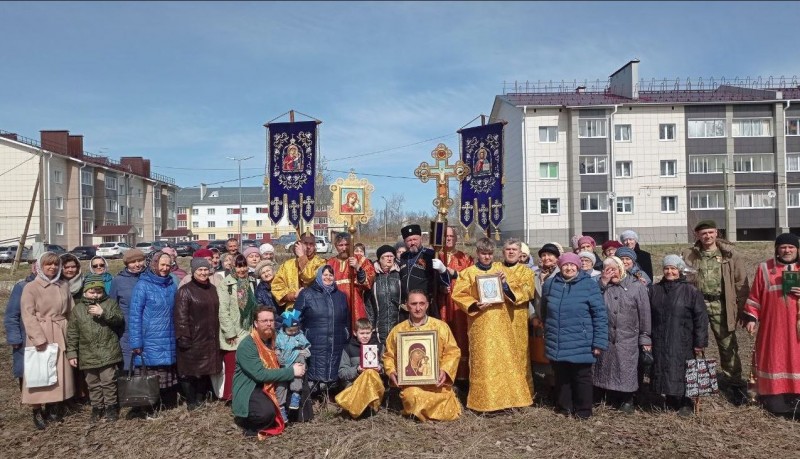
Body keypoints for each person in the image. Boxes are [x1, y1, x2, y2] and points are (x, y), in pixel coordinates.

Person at [452, 237, 533, 412]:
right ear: (477, 253)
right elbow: (458, 294)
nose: (487, 257)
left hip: (502, 322)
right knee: (483, 362)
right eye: (483, 253)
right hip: (480, 323)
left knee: (505, 361)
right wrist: (474, 304)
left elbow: (519, 290)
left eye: (489, 254)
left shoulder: (501, 270)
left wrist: (504, 284)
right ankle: (483, 402)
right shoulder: (468, 273)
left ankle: (508, 400)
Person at [682, 220, 749, 403]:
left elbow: (740, 283)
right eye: (703, 233)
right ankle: (697, 381)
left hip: (721, 305)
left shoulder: (730, 254)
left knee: (728, 345)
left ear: (716, 233)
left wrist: (743, 310)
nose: (707, 236)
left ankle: (734, 384)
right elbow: (682, 279)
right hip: (697, 305)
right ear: (697, 235)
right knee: (695, 342)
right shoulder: (689, 254)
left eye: (711, 232)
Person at [540, 253, 608, 419]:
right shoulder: (550, 284)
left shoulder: (589, 285)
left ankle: (583, 410)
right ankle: (565, 407)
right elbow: (544, 310)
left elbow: (600, 315)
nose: (569, 268)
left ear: (578, 267)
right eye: (565, 265)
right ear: (560, 266)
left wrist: (598, 342)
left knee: (581, 376)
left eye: (572, 265)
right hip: (557, 339)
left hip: (581, 340)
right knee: (562, 375)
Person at [743, 233, 800, 418]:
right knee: (774, 358)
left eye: (791, 247)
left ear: (797, 249)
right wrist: (751, 317)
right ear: (777, 249)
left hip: (797, 328)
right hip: (773, 328)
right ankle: (775, 397)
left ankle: (796, 396)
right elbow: (754, 297)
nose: (787, 250)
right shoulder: (765, 268)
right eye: (783, 247)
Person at [383, 290, 462, 422]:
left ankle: (423, 413)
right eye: (414, 304)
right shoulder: (398, 330)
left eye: (421, 304)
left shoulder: (441, 327)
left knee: (448, 407)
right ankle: (424, 412)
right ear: (407, 305)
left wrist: (444, 371)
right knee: (412, 396)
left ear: (427, 305)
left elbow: (453, 352)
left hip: (437, 384)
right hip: (412, 386)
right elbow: (388, 356)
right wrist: (391, 372)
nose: (418, 308)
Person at [20, 252, 75, 429]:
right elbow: (27, 315)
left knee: (57, 373)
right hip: (42, 332)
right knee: (39, 372)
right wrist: (38, 338)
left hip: (60, 331)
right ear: (40, 267)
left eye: (55, 264)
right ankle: (36, 410)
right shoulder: (31, 287)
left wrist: (72, 333)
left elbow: (71, 311)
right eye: (48, 265)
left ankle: (53, 407)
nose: (52, 268)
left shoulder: (63, 285)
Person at [649, 255, 708, 417]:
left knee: (683, 369)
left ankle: (686, 402)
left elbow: (701, 318)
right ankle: (670, 398)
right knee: (664, 367)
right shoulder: (655, 289)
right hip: (660, 337)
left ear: (680, 270)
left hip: (683, 339)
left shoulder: (691, 291)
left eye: (673, 268)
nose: (670, 272)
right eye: (666, 268)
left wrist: (700, 342)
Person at [232, 306, 305, 439]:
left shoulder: (275, 339)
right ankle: (249, 422)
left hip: (272, 382)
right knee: (266, 413)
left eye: (271, 320)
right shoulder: (247, 345)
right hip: (252, 386)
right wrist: (291, 371)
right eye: (264, 321)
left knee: (299, 388)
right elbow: (260, 375)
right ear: (255, 323)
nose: (268, 324)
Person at [593, 256, 651, 414]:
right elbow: (592, 304)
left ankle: (627, 399)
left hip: (628, 336)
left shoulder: (636, 286)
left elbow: (645, 314)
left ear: (622, 268)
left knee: (626, 369)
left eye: (615, 269)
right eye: (608, 270)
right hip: (605, 335)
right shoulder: (600, 284)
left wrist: (645, 338)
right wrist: (603, 284)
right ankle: (608, 395)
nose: (613, 273)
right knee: (605, 366)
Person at [66, 276, 124, 423]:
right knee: (92, 383)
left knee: (108, 381)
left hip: (107, 351)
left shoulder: (110, 303)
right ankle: (97, 406)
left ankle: (111, 406)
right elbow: (73, 333)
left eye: (98, 291)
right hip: (87, 353)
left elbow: (119, 320)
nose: (95, 295)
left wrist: (103, 313)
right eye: (92, 292)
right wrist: (72, 352)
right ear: (85, 292)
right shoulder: (78, 309)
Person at [129, 251, 180, 415]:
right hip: (150, 338)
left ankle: (165, 404)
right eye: (162, 265)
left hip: (169, 335)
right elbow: (135, 316)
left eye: (168, 265)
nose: (165, 268)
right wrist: (136, 342)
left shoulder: (171, 283)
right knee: (151, 373)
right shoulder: (142, 285)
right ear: (154, 265)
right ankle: (147, 405)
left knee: (166, 371)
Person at [174, 257, 222, 411]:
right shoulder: (185, 290)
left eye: (205, 270)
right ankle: (191, 400)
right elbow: (181, 316)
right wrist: (183, 337)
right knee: (189, 371)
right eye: (199, 270)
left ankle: (201, 398)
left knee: (204, 370)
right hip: (192, 337)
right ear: (193, 272)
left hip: (209, 337)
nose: (203, 273)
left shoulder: (212, 288)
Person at [294, 265, 350, 393]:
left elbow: (346, 318)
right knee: (314, 369)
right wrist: (294, 334)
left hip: (336, 339)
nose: (328, 277)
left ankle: (329, 395)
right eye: (325, 274)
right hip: (313, 339)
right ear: (319, 276)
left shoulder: (341, 296)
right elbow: (294, 316)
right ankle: (313, 396)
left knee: (333, 368)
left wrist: (346, 332)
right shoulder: (306, 294)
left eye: (331, 275)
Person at [218, 254, 257, 402]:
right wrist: (230, 333)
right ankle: (230, 396)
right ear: (233, 266)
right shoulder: (226, 284)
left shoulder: (251, 282)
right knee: (232, 367)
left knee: (246, 366)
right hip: (233, 332)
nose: (242, 269)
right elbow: (223, 311)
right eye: (239, 266)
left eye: (244, 265)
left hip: (247, 331)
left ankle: (245, 394)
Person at [437, 226, 473, 382]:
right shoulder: (437, 256)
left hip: (459, 305)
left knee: (460, 336)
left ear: (456, 238)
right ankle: (444, 374)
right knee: (443, 336)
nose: (449, 238)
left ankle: (462, 375)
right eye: (446, 236)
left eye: (451, 236)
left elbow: (471, 278)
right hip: (441, 304)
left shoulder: (465, 258)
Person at [334, 318, 385, 419]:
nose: (365, 336)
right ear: (355, 333)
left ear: (372, 332)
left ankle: (366, 407)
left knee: (370, 372)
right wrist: (357, 370)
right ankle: (360, 409)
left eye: (368, 333)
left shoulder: (379, 347)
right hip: (355, 385)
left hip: (375, 386)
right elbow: (342, 373)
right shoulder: (348, 348)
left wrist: (380, 368)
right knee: (367, 373)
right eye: (362, 333)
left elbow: (386, 367)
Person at [398, 224, 450, 321]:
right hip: (406, 308)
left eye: (415, 239)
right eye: (409, 240)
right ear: (405, 242)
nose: (412, 243)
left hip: (425, 307)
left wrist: (442, 270)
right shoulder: (403, 257)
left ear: (421, 239)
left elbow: (445, 281)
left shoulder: (430, 255)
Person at [326, 233, 375, 331]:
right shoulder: (330, 263)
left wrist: (358, 268)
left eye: (347, 245)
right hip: (336, 306)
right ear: (336, 246)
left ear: (351, 245)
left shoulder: (361, 259)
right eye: (341, 245)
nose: (344, 248)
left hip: (356, 304)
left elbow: (369, 282)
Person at [109, 248, 146, 372]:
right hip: (127, 331)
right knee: (129, 367)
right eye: (133, 262)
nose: (137, 264)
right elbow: (112, 306)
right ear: (126, 264)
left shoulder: (148, 278)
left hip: (147, 330)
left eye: (140, 260)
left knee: (146, 366)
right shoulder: (118, 281)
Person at [272, 232, 327, 311]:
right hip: (292, 307)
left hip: (315, 308)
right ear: (299, 245)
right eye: (305, 244)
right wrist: (293, 296)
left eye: (311, 244)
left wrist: (302, 257)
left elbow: (309, 277)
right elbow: (276, 286)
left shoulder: (321, 262)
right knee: (288, 323)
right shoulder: (287, 265)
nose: (308, 247)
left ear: (314, 246)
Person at [274, 309, 311, 421]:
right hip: (284, 363)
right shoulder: (279, 337)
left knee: (298, 375)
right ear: (284, 328)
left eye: (295, 330)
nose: (293, 333)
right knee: (281, 385)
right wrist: (277, 354)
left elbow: (307, 348)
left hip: (295, 359)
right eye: (290, 331)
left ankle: (296, 394)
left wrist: (303, 352)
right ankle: (281, 408)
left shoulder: (299, 336)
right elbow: (276, 348)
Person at [4, 264, 36, 389]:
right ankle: (29, 401)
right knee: (25, 368)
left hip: (46, 334)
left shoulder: (55, 285)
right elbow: (12, 314)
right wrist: (14, 337)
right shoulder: (22, 287)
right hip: (25, 335)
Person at [366, 245, 402, 345]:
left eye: (391, 256)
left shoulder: (400, 273)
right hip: (378, 326)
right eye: (386, 256)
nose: (389, 258)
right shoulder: (373, 274)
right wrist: (370, 324)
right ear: (379, 259)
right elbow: (368, 303)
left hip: (397, 324)